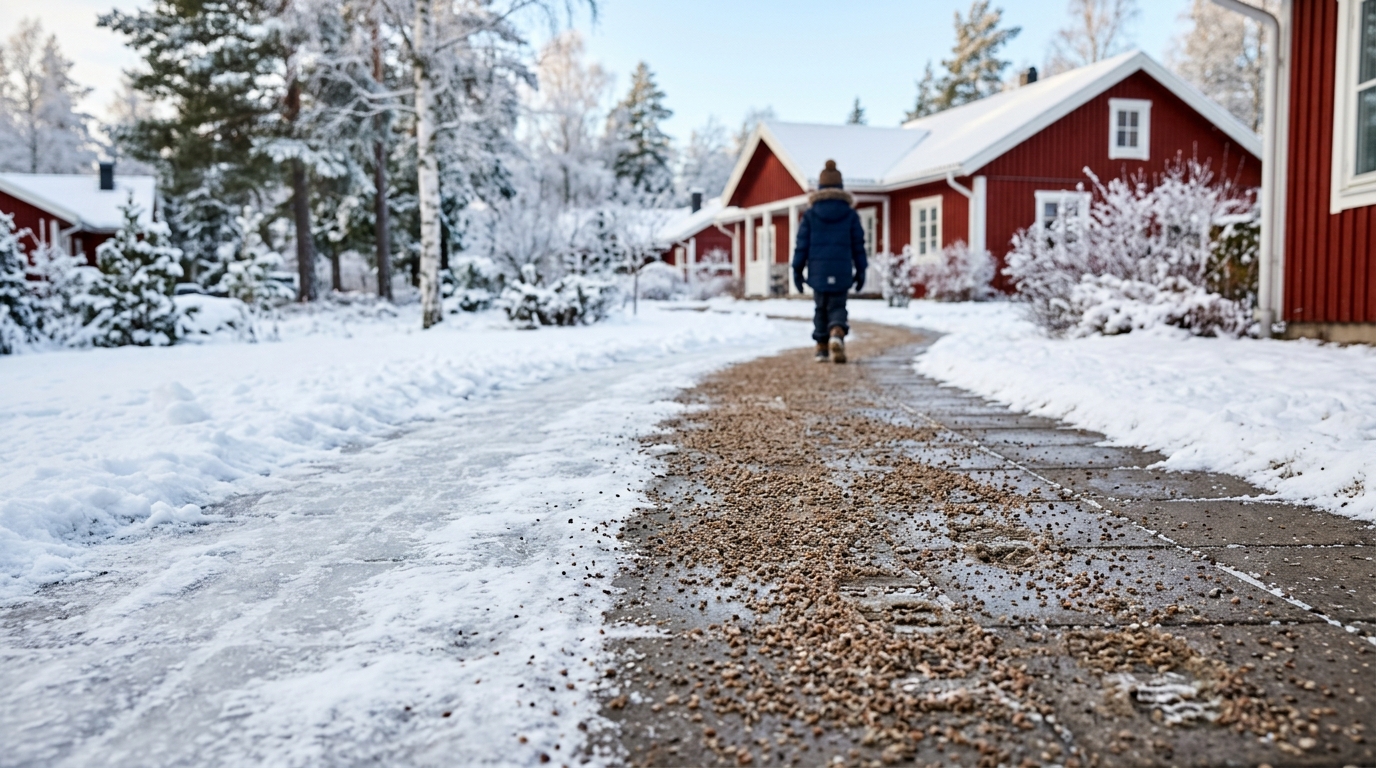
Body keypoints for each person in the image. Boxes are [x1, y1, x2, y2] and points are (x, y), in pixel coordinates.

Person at [791, 159, 868, 364]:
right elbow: (858, 245)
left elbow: (802, 245)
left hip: (818, 269)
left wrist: (797, 270)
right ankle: (836, 331)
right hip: (842, 269)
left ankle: (821, 348)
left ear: (821, 187)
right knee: (838, 306)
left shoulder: (810, 215)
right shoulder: (850, 215)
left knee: (820, 308)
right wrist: (861, 271)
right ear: (840, 187)